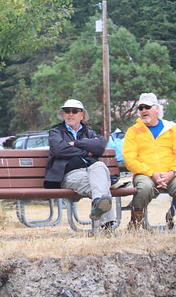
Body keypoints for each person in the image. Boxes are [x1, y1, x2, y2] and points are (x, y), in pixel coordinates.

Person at [44, 99, 115, 228]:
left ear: (82, 115)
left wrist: (76, 143)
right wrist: (87, 152)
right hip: (70, 174)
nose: (70, 114)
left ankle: (97, 202)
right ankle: (108, 224)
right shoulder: (56, 131)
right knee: (101, 184)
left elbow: (100, 146)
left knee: (99, 166)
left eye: (75, 111)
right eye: (67, 111)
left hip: (92, 171)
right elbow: (58, 149)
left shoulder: (89, 132)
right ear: (63, 114)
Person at [123, 93, 176, 230]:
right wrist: (151, 173)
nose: (143, 111)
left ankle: (171, 214)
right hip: (145, 174)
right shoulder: (133, 131)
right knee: (144, 188)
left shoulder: (172, 129)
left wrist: (172, 172)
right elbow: (129, 160)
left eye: (147, 107)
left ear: (157, 108)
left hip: (170, 174)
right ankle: (135, 225)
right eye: (140, 108)